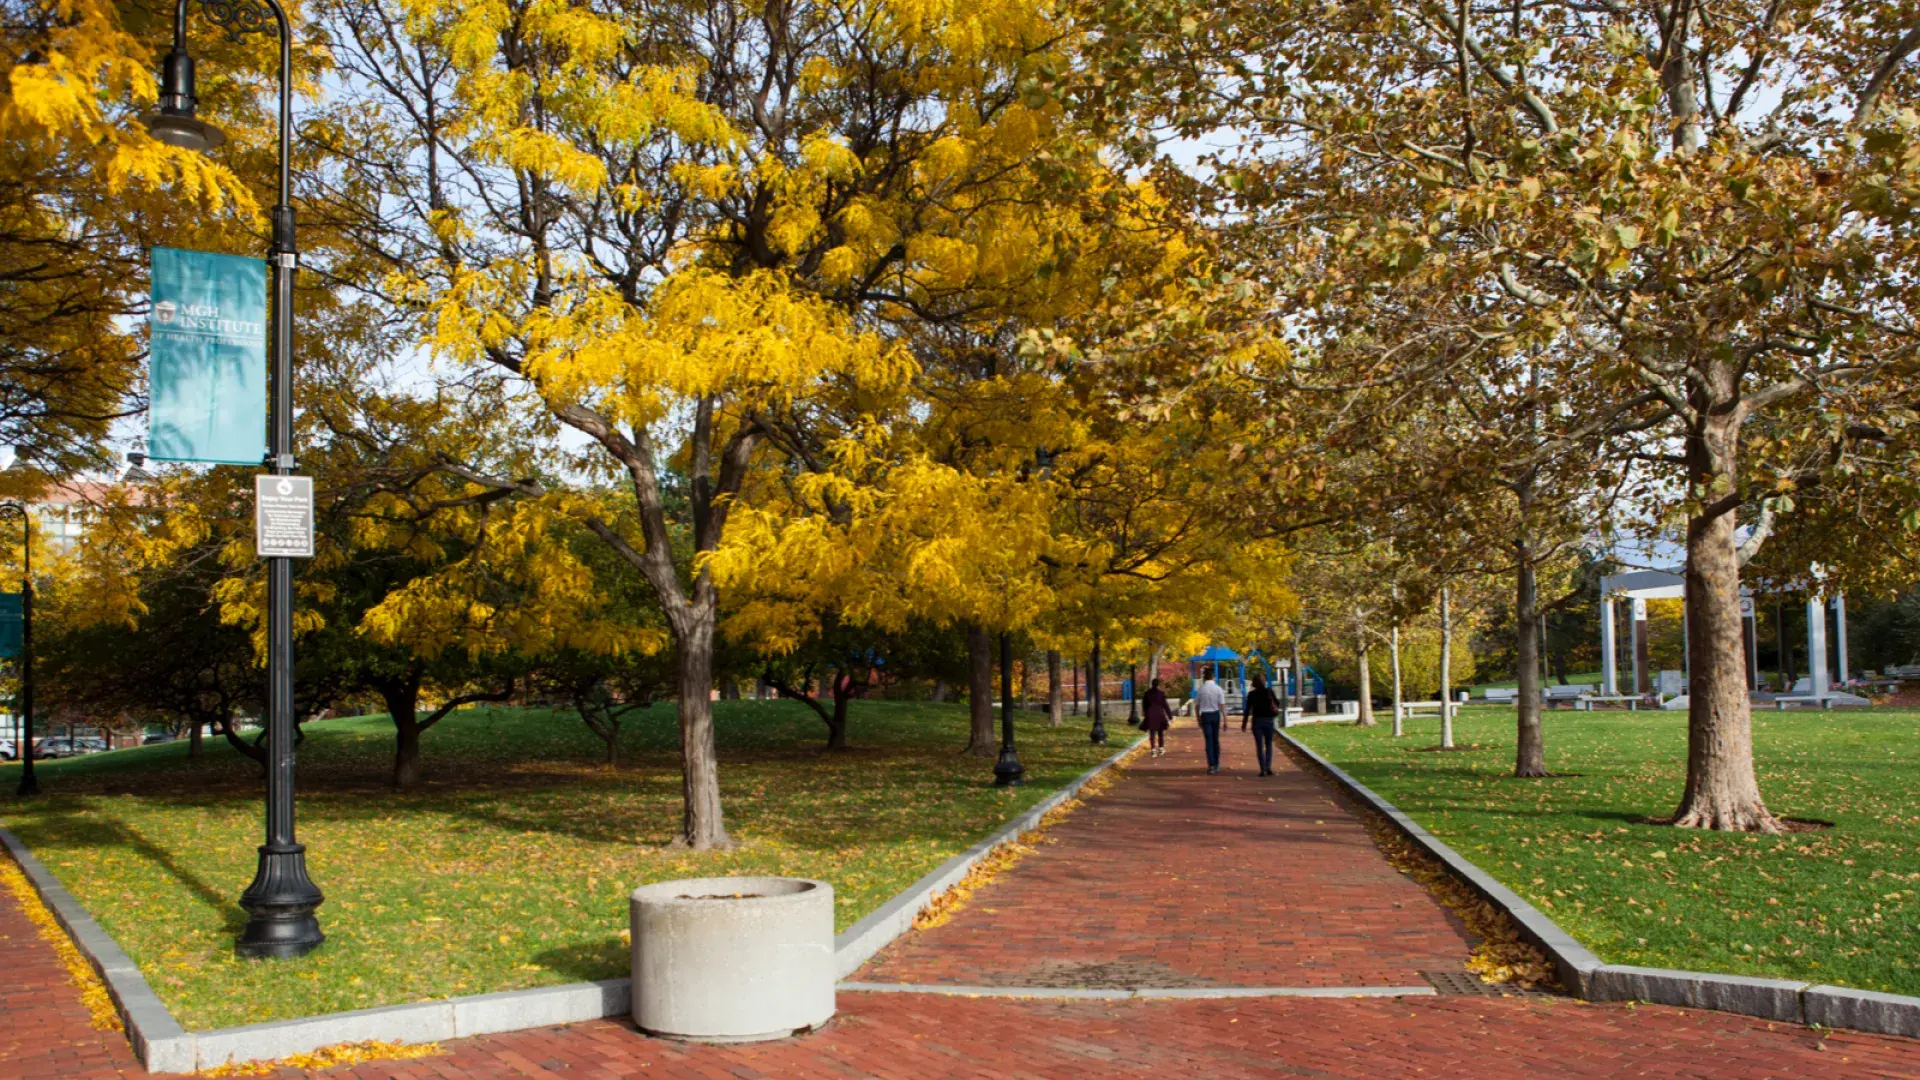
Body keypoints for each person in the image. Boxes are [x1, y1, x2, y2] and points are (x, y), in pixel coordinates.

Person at [1243, 674, 1282, 777]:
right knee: (1268, 744)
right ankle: (1268, 767)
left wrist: (1244, 723)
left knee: (1259, 746)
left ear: (1254, 683)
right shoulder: (1269, 691)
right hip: (1269, 721)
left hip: (1257, 722)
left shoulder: (1251, 694)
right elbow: (1277, 703)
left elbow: (1247, 710)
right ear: (1264, 681)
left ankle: (1262, 769)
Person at [1193, 674, 1226, 774]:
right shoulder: (1218, 689)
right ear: (1213, 677)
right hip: (1215, 715)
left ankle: (1211, 764)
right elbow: (1222, 706)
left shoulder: (1200, 690)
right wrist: (1225, 720)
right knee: (1215, 739)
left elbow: (1197, 706)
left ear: (1204, 677)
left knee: (1208, 740)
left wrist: (1198, 718)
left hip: (1205, 715)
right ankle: (1217, 763)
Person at [1141, 677, 1172, 756]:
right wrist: (1170, 715)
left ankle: (1153, 749)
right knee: (1160, 732)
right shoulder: (1161, 693)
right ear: (1158, 684)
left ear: (1152, 684)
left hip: (1150, 714)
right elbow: (1165, 705)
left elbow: (1144, 705)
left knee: (1152, 733)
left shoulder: (1147, 693)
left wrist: (1145, 713)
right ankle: (1161, 748)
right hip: (1159, 714)